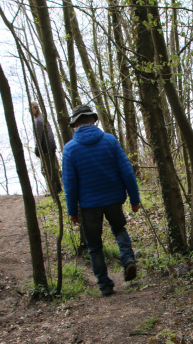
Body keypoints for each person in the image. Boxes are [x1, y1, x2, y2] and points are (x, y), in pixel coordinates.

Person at [61, 104, 140, 296]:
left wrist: (72, 211)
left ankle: (105, 285)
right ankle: (128, 260)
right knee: (119, 229)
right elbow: (127, 172)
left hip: (89, 206)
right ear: (93, 120)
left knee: (94, 245)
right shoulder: (109, 140)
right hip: (114, 199)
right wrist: (134, 199)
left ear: (76, 124)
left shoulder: (70, 149)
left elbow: (69, 184)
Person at [30, 101, 61, 195]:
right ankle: (57, 188)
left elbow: (38, 137)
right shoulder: (42, 118)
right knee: (53, 169)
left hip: (46, 149)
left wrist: (37, 150)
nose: (30, 112)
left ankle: (54, 190)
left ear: (36, 108)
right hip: (50, 147)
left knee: (46, 170)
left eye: (31, 109)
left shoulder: (38, 121)